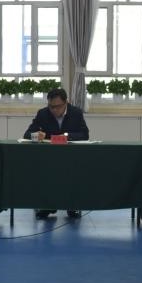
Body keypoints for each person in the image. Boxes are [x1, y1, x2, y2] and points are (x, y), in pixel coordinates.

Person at [23, 88, 89, 220]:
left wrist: (67, 136)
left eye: (57, 106)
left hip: (70, 156)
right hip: (49, 157)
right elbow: (27, 134)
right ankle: (47, 206)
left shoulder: (76, 113)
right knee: (45, 172)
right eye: (51, 106)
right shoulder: (43, 113)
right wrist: (36, 135)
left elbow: (84, 134)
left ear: (66, 103)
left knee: (73, 173)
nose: (54, 110)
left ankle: (72, 206)